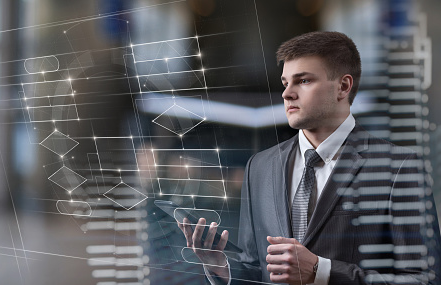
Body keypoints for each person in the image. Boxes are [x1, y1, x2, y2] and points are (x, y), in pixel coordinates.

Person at [177, 31, 441, 285]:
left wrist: (321, 271)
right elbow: (257, 270)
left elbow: (424, 279)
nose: (287, 93)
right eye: (285, 82)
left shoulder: (400, 168)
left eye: (303, 81)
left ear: (343, 86)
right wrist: (221, 267)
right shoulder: (260, 167)